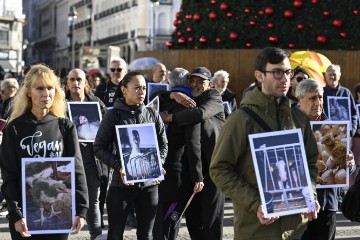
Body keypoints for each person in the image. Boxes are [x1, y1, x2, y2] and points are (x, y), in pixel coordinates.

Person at [210, 47, 320, 240]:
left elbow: (310, 161)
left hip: (295, 228)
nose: (285, 78)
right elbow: (219, 169)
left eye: (288, 72)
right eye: (277, 72)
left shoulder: (298, 118)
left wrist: (310, 193)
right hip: (256, 229)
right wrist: (256, 203)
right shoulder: (240, 120)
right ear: (259, 76)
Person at [0, 64, 88, 239]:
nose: (46, 94)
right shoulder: (14, 129)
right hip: (24, 217)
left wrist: (82, 210)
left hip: (59, 218)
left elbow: (77, 171)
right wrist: (16, 214)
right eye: (40, 88)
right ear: (28, 92)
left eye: (50, 88)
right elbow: (9, 175)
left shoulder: (65, 127)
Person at [93, 71, 168, 240]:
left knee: (146, 235)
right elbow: (99, 148)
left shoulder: (152, 114)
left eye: (143, 88)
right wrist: (120, 166)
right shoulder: (113, 115)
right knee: (115, 234)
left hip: (149, 186)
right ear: (124, 90)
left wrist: (158, 163)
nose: (142, 92)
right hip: (121, 186)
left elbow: (163, 144)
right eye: (137, 88)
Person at [160, 67, 225, 240]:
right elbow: (154, 98)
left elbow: (200, 114)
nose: (195, 84)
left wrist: (170, 118)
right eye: (192, 80)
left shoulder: (214, 97)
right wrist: (172, 95)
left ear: (209, 84)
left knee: (212, 217)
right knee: (194, 217)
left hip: (215, 167)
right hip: (195, 168)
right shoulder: (185, 98)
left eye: (200, 81)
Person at [296, 79, 355, 240]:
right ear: (300, 100)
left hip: (327, 204)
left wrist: (349, 162)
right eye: (312, 98)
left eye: (320, 97)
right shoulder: (289, 127)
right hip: (298, 206)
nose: (318, 102)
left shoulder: (334, 128)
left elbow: (347, 166)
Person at [153, 68, 204, 240]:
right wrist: (198, 176)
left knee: (160, 219)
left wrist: (171, 94)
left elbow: (154, 97)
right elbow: (193, 143)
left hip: (158, 169)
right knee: (170, 222)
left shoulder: (160, 102)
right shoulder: (190, 105)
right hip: (177, 173)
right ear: (188, 83)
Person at [66, 68, 107, 240]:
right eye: (72, 80)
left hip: (92, 161)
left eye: (79, 79)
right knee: (65, 202)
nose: (76, 83)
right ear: (67, 83)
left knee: (93, 202)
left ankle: (96, 235)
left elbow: (108, 128)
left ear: (85, 83)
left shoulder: (96, 103)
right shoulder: (60, 105)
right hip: (68, 161)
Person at [94, 57, 128, 227]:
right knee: (102, 179)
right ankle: (99, 216)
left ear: (125, 71)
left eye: (119, 70)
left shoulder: (130, 88)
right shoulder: (102, 88)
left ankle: (128, 215)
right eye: (112, 70)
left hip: (125, 140)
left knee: (126, 179)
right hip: (107, 139)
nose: (115, 73)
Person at [323, 64, 358, 136]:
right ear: (326, 77)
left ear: (339, 76)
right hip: (327, 134)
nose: (332, 77)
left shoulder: (346, 92)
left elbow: (354, 113)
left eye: (334, 74)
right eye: (330, 75)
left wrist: (352, 131)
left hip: (345, 134)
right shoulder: (321, 92)